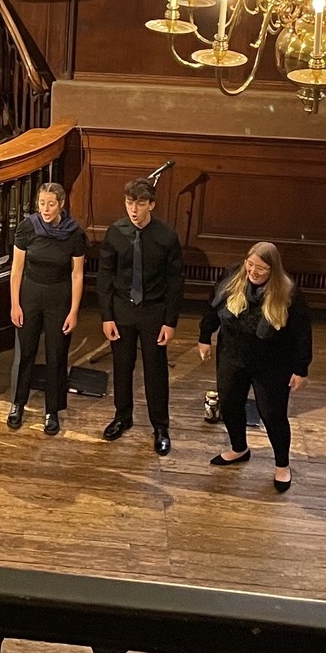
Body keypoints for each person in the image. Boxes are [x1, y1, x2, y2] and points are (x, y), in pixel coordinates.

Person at [197, 241, 311, 493]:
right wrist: (205, 336)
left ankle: (282, 464)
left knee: (272, 413)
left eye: (261, 268)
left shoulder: (288, 292)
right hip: (232, 354)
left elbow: (302, 333)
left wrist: (301, 369)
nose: (253, 272)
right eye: (250, 264)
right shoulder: (231, 277)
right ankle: (239, 448)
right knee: (229, 404)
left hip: (272, 362)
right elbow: (212, 307)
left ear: (273, 270)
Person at [97, 177, 182, 453]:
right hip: (122, 310)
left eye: (140, 204)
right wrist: (107, 316)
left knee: (155, 370)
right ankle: (122, 416)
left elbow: (175, 283)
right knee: (122, 367)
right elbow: (106, 276)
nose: (133, 210)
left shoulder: (166, 236)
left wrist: (170, 322)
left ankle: (160, 426)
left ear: (152, 205)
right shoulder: (115, 232)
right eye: (129, 203)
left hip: (154, 311)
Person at [8, 183, 86, 436]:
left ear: (61, 204)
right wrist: (15, 304)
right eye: (42, 203)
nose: (46, 209)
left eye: (51, 204)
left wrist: (74, 311)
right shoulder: (27, 227)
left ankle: (52, 410)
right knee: (26, 352)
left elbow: (77, 274)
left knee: (56, 354)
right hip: (30, 294)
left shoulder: (74, 233)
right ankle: (18, 403)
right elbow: (17, 269)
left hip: (58, 296)